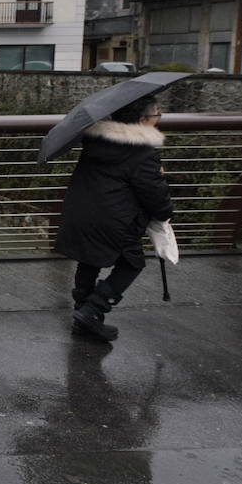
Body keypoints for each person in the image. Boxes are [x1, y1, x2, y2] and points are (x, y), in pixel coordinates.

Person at [54, 94, 173, 342]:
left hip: (80, 211)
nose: (159, 118)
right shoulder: (142, 152)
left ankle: (83, 317)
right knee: (132, 263)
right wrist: (163, 204)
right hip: (114, 219)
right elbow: (153, 194)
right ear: (142, 121)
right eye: (157, 114)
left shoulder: (96, 139)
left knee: (89, 259)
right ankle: (93, 309)